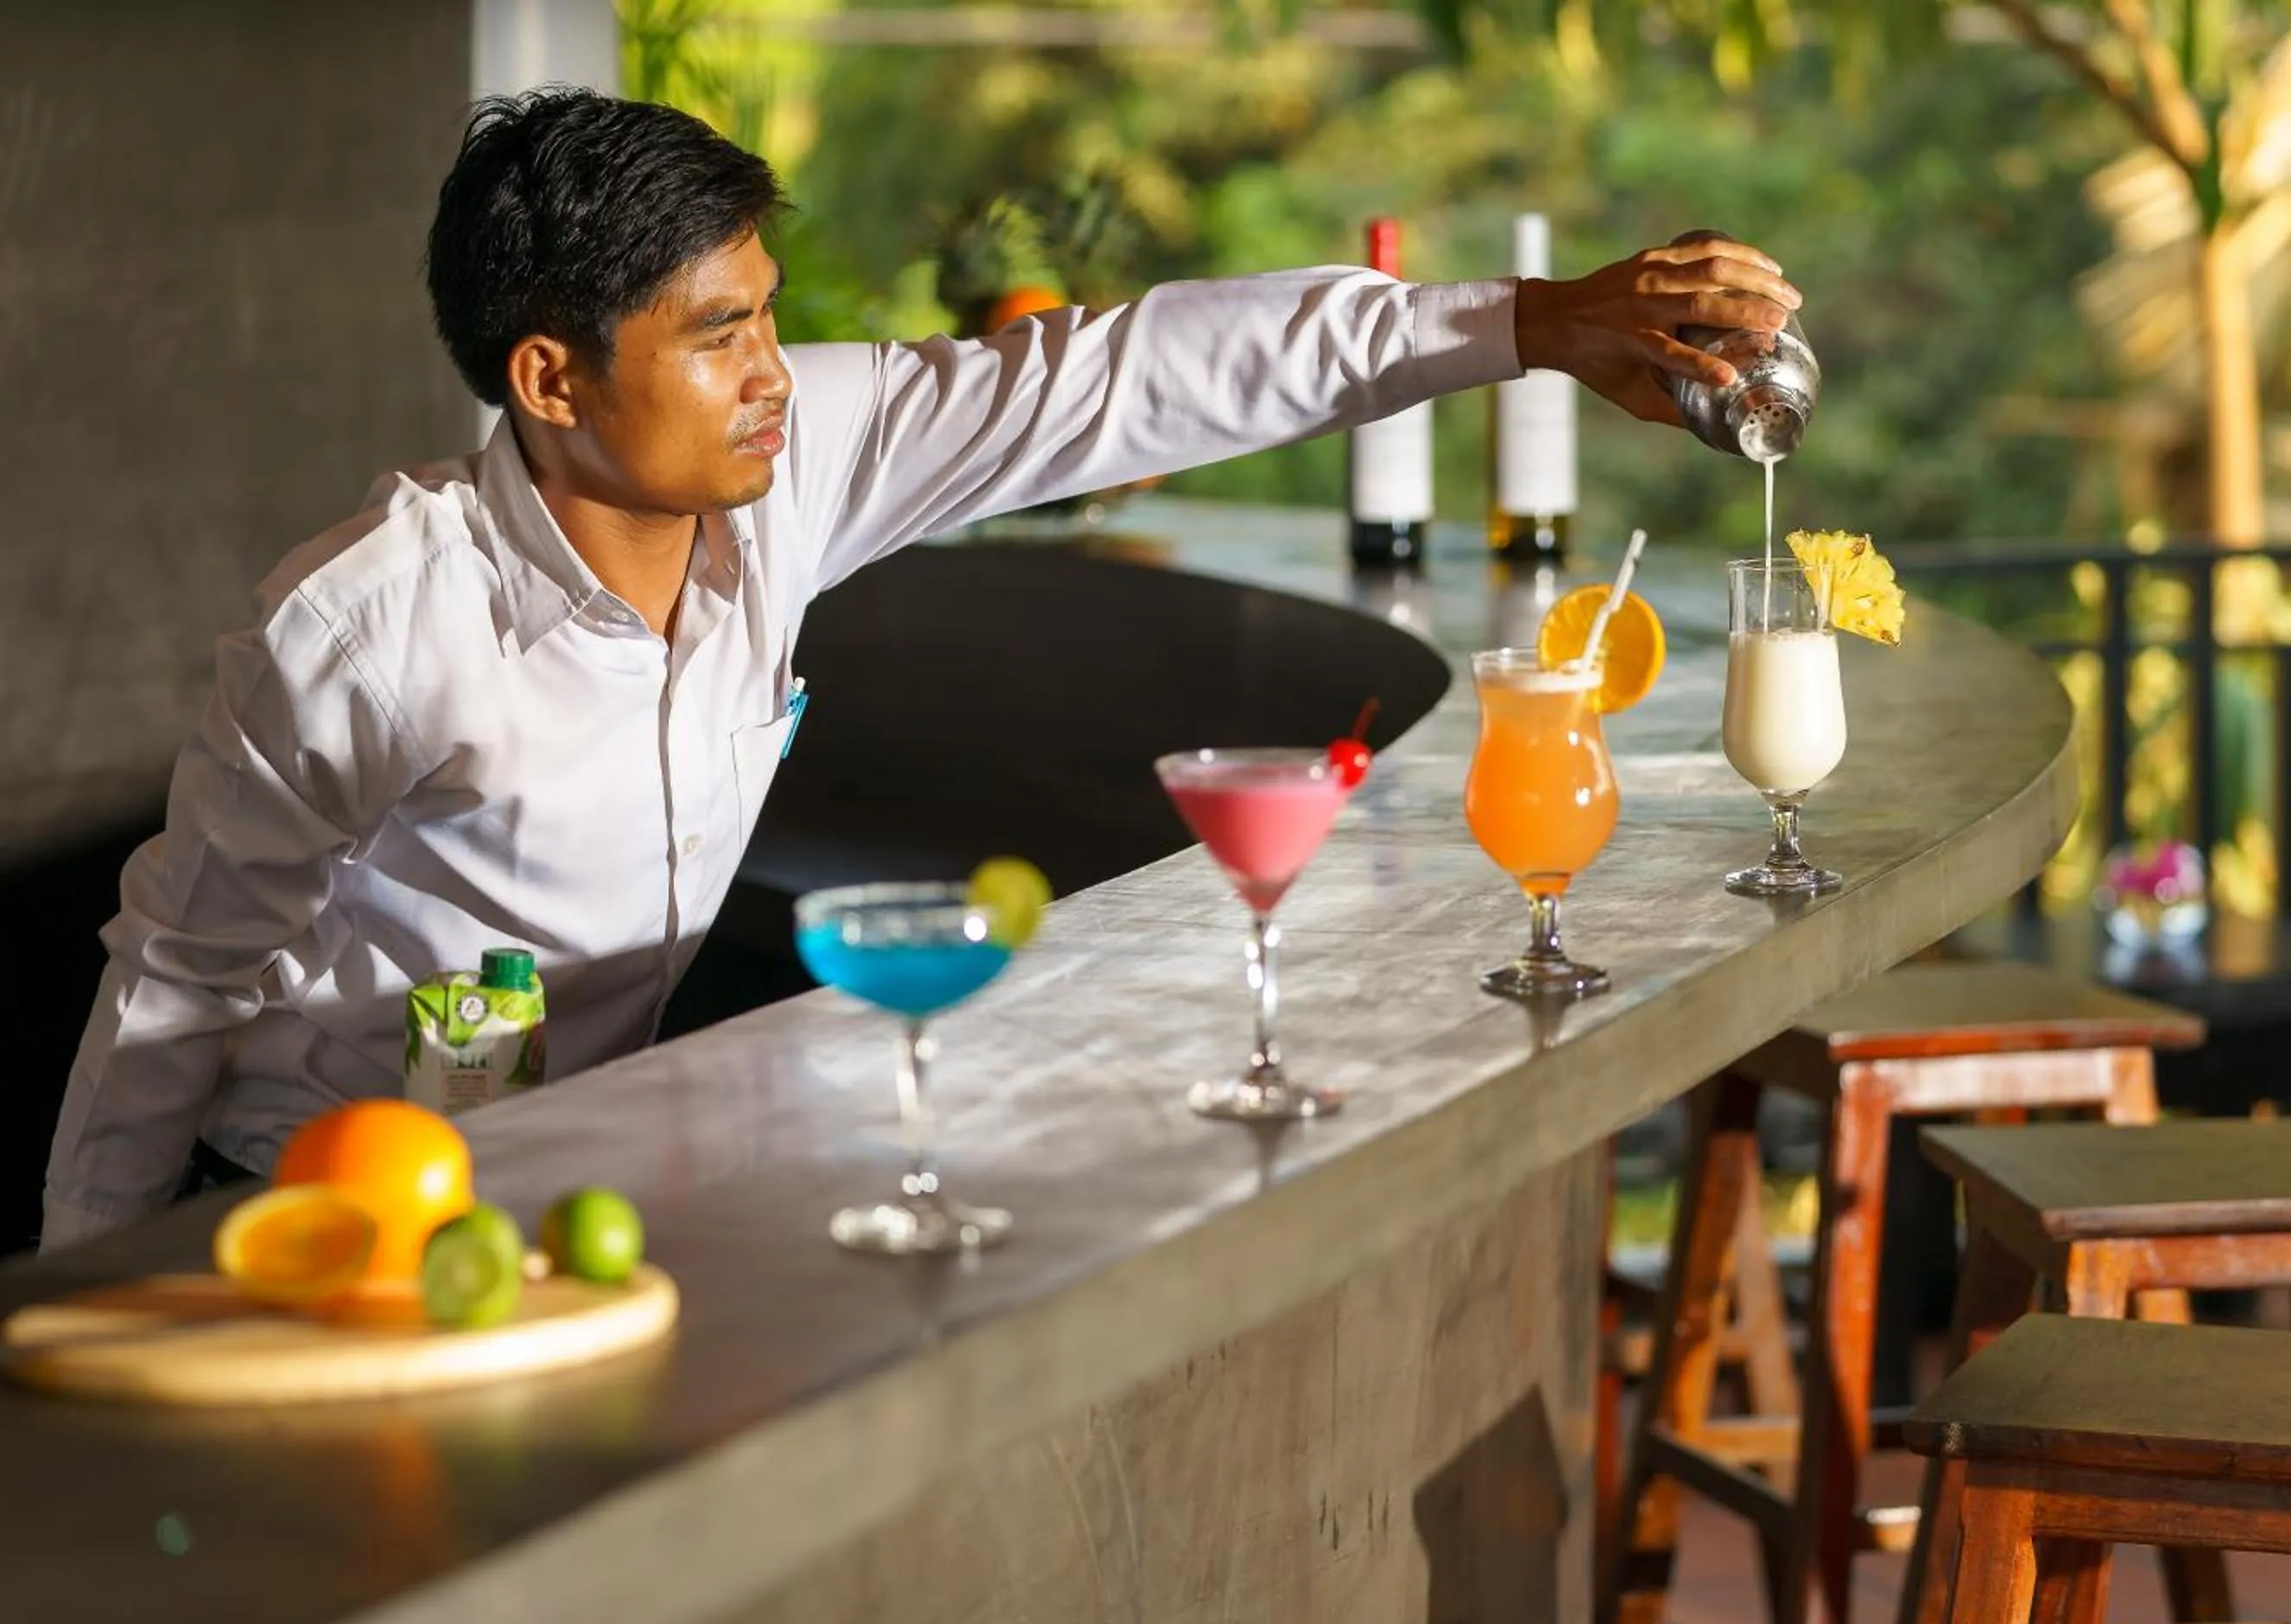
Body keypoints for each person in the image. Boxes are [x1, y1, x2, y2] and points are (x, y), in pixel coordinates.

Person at [40, 89, 1804, 1249]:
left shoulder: (793, 464)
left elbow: (1134, 373)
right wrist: (69, 1320)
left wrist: (1528, 324)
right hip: (314, 1209)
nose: (772, 374)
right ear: (553, 381)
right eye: (715, 334)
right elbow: (176, 982)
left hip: (585, 1185)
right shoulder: (363, 623)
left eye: (767, 311)